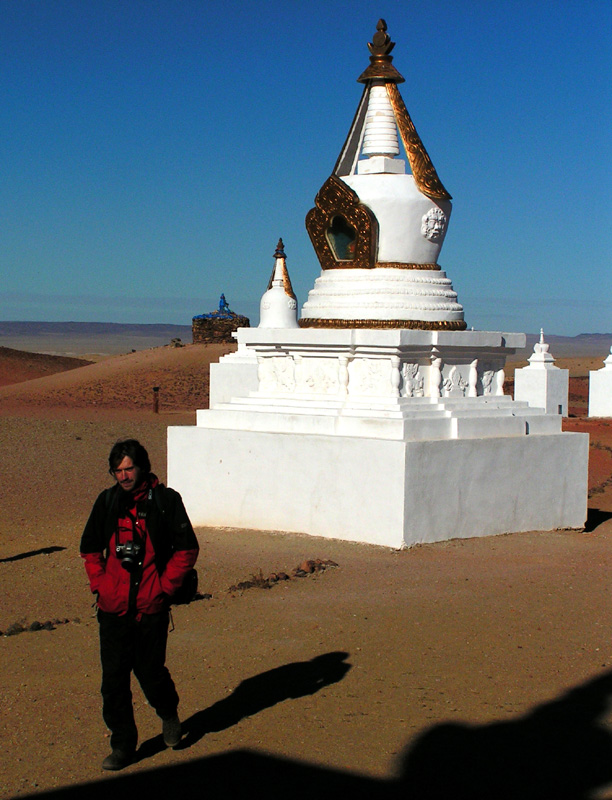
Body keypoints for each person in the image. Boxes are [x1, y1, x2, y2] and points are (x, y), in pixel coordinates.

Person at [80, 439, 199, 771]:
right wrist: (101, 585)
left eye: (129, 468)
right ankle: (122, 745)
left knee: (150, 673)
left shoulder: (165, 501)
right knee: (113, 681)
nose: (123, 476)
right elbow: (89, 549)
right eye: (117, 470)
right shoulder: (106, 502)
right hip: (113, 609)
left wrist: (164, 587)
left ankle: (168, 713)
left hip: (150, 608)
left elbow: (186, 549)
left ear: (142, 466)